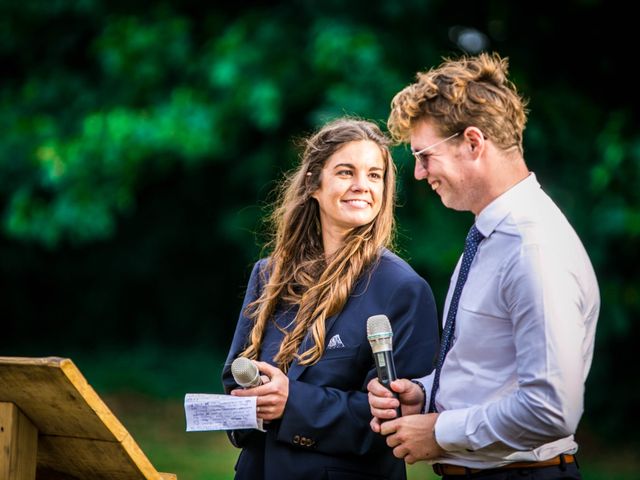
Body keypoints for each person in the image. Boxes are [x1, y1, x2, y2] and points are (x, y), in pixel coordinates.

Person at [367, 53, 600, 480]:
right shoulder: (491, 236)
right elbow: (486, 369)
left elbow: (550, 410)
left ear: (473, 142)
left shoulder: (533, 247)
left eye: (425, 156)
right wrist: (425, 393)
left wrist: (440, 432)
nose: (419, 173)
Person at [222, 117, 439, 480]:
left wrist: (292, 404)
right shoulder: (267, 274)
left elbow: (397, 421)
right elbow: (235, 378)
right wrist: (252, 401)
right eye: (345, 172)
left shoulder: (403, 289)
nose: (361, 186)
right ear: (313, 184)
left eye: (374, 175)